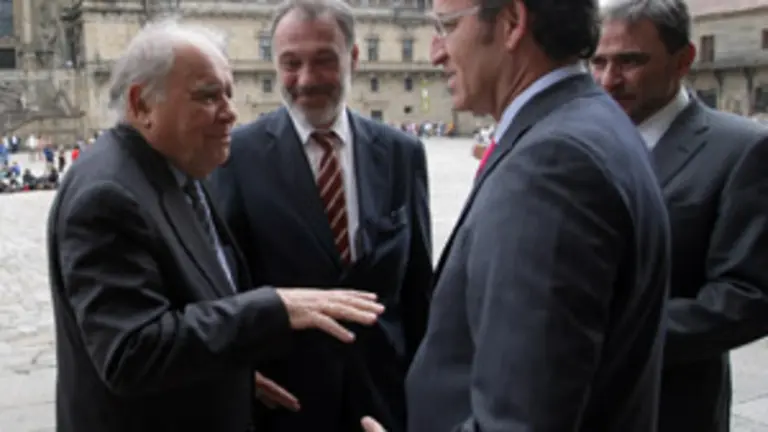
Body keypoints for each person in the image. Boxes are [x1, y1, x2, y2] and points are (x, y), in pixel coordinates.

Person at [47, 19, 384, 432]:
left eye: (229, 92)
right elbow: (131, 351)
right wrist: (274, 307)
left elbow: (192, 302)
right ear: (142, 105)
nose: (230, 112)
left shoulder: (176, 165)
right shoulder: (108, 196)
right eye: (208, 96)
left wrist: (232, 373)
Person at [360, 0, 672, 429]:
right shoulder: (592, 123)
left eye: (447, 27)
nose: (435, 52)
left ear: (511, 23)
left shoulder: (550, 164)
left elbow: (520, 420)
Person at [210, 0, 433, 430]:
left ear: (353, 58)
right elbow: (221, 288)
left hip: (383, 398)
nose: (307, 80)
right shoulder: (236, 158)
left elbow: (419, 286)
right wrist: (234, 373)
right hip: (284, 403)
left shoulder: (402, 154)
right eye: (291, 63)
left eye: (324, 60)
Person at [591, 1, 768, 431]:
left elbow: (747, 299)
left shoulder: (742, 150)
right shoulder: (581, 140)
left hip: (671, 409)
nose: (609, 80)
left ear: (684, 60)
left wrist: (605, 338)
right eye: (598, 62)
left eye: (630, 61)